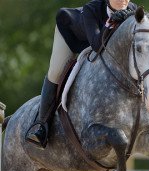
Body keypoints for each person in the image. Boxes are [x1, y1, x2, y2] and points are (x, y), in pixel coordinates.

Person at [26, 0, 137, 149]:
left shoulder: (133, 10)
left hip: (99, 39)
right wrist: (111, 22)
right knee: (56, 72)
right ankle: (41, 126)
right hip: (71, 35)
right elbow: (97, 46)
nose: (123, 0)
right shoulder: (91, 9)